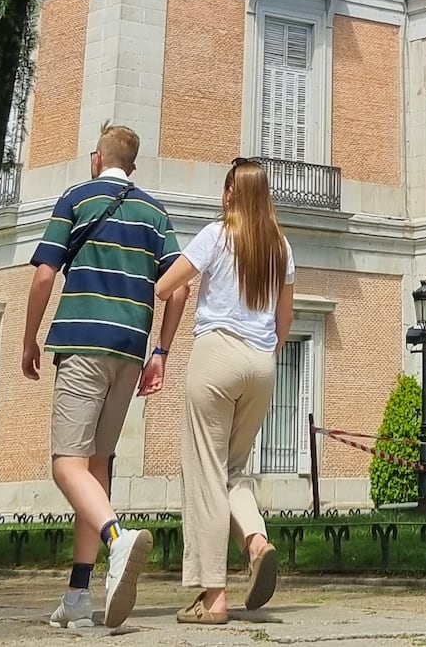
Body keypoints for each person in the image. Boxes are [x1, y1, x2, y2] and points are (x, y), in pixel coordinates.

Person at [25, 123, 179, 632]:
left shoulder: (76, 198)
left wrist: (30, 338)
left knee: (65, 465)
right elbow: (178, 288)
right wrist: (161, 352)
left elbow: (44, 273)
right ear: (132, 166)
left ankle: (117, 538)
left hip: (83, 341)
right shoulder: (155, 213)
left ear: (97, 158)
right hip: (130, 350)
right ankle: (77, 594)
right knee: (96, 467)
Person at [148, 158, 294, 626]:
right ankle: (256, 541)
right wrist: (266, 351)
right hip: (261, 363)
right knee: (232, 470)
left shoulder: (215, 235)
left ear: (232, 193)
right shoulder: (281, 247)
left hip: (216, 355)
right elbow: (285, 318)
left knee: (206, 474)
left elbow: (166, 286)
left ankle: (213, 597)